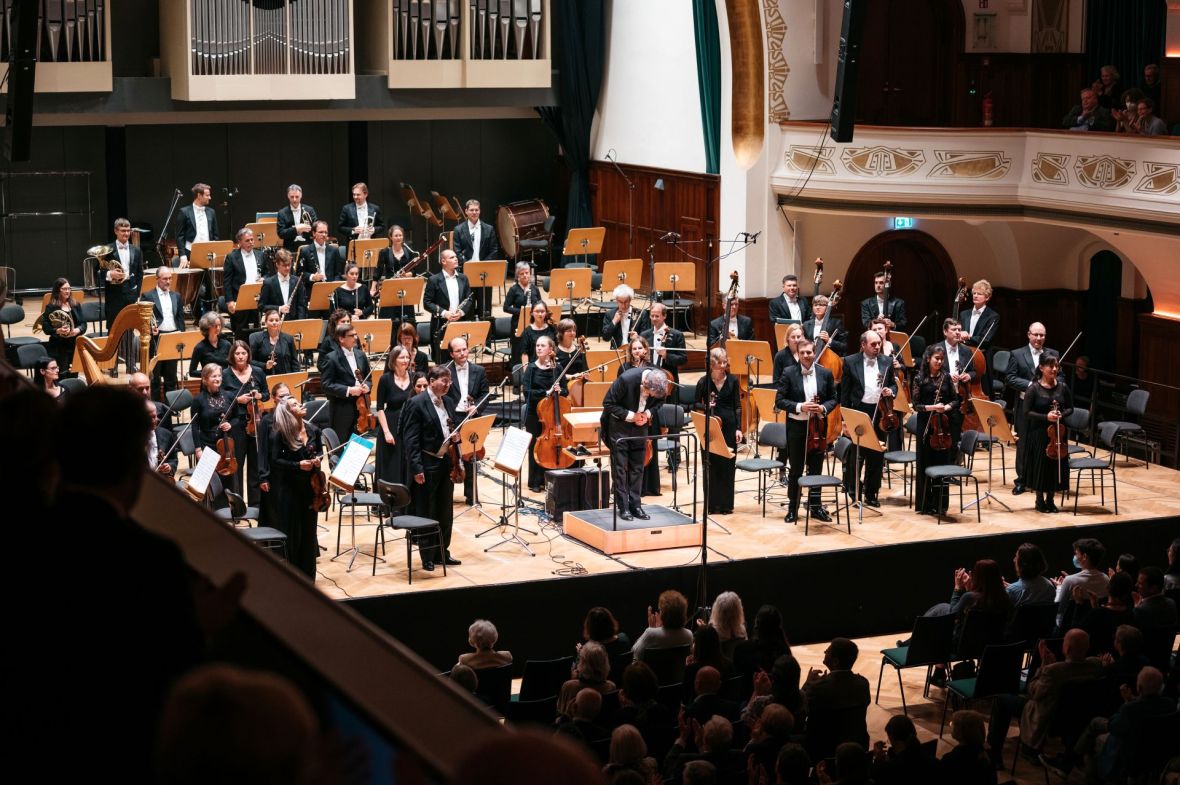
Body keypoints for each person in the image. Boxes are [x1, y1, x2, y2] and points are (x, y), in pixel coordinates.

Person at [45, 386, 203, 784]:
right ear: (136, 464)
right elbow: (176, 670)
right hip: (127, 751)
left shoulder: (21, 530)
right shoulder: (152, 557)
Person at [985, 629, 1102, 765]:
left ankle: (994, 755)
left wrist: (1043, 666)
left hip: (1045, 716)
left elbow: (1034, 692)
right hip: (1074, 717)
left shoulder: (1053, 671)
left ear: (1067, 648)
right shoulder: (1095, 665)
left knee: (1001, 700)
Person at [402, 365, 463, 571]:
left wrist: (456, 436)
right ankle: (427, 556)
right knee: (427, 511)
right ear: (432, 381)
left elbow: (450, 427)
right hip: (427, 465)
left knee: (445, 510)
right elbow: (410, 440)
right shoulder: (416, 403)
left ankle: (442, 552)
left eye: (449, 381)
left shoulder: (449, 402)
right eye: (444, 380)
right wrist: (416, 468)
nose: (448, 385)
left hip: (445, 463)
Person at [776, 339, 837, 523]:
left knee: (816, 469)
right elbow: (779, 401)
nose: (806, 356)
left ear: (814, 352)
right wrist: (800, 406)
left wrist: (823, 409)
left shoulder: (825, 373)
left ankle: (815, 507)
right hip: (797, 427)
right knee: (796, 469)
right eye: (802, 353)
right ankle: (793, 508)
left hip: (818, 427)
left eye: (809, 352)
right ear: (798, 354)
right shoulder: (788, 373)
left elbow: (834, 399)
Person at [603, 365, 669, 520]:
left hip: (641, 426)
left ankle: (636, 505)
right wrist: (632, 416)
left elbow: (660, 401)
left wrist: (647, 413)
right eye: (648, 393)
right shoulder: (626, 379)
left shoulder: (660, 384)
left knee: (637, 468)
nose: (649, 396)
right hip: (619, 426)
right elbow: (608, 404)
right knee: (620, 469)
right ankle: (623, 507)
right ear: (644, 383)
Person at [268, 395, 323, 579]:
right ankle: (294, 579)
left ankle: (310, 579)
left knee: (309, 534)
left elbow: (321, 452)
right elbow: (274, 461)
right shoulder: (280, 433)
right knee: (293, 535)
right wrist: (297, 465)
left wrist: (317, 460)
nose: (300, 405)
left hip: (311, 490)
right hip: (290, 490)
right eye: (295, 404)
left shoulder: (313, 429)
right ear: (288, 411)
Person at [840, 330, 897, 506]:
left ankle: (871, 493)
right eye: (873, 344)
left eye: (879, 343)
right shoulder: (850, 361)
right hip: (859, 411)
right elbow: (845, 392)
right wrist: (844, 420)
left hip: (880, 411)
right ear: (863, 345)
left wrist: (891, 391)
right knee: (855, 455)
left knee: (877, 455)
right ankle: (853, 490)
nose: (877, 347)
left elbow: (893, 384)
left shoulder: (886, 361)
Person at [1005, 322, 1053, 495]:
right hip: (1025, 407)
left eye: (1042, 335)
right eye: (1036, 335)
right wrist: (1032, 385)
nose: (1039, 338)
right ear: (1028, 335)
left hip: (1045, 408)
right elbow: (1010, 378)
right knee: (1024, 444)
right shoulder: (1016, 354)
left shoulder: (1052, 355)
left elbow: (1060, 377)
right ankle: (1022, 480)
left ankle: (1041, 480)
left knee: (1043, 443)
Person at [802, 638, 870, 760]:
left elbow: (801, 708)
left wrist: (808, 684)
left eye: (827, 651)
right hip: (857, 747)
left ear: (835, 661)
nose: (824, 652)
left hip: (823, 751)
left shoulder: (816, 689)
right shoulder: (863, 684)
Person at [1021, 353, 1072, 513]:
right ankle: (1039, 500)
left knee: (1054, 466)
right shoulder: (1033, 389)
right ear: (1042, 368)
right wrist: (1046, 417)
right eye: (1051, 366)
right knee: (1041, 466)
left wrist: (1061, 415)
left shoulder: (1063, 387)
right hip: (1039, 433)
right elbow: (1026, 412)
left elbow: (1071, 408)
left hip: (1059, 433)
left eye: (1057, 366)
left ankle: (1051, 499)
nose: (1055, 369)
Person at [912, 345, 960, 515]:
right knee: (925, 462)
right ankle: (924, 504)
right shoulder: (919, 378)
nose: (939, 361)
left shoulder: (946, 378)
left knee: (942, 462)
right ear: (928, 359)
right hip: (926, 426)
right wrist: (933, 407)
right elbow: (916, 405)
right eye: (936, 358)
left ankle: (940, 504)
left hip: (943, 426)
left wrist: (946, 407)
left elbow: (956, 400)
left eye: (941, 359)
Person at [695, 348, 742, 515]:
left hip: (729, 427)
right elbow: (694, 405)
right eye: (720, 363)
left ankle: (726, 505)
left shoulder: (733, 381)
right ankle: (712, 505)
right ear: (712, 364)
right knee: (711, 466)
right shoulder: (703, 382)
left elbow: (737, 406)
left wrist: (739, 429)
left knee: (727, 466)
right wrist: (706, 406)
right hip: (710, 428)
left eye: (725, 362)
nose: (723, 366)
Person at [222, 339, 269, 503]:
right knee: (238, 464)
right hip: (236, 423)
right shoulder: (225, 374)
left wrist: (259, 396)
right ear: (232, 356)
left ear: (248, 354)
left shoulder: (258, 371)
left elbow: (267, 394)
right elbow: (221, 400)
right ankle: (238, 504)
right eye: (237, 353)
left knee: (256, 465)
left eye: (243, 353)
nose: (241, 356)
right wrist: (236, 400)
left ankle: (255, 503)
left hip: (255, 422)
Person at [444, 336, 489, 505]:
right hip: (452, 418)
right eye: (458, 351)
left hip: (471, 417)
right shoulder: (445, 370)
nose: (462, 353)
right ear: (451, 354)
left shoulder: (479, 370)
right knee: (451, 456)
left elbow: (485, 394)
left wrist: (476, 406)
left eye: (464, 349)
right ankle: (447, 496)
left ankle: (472, 496)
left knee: (471, 455)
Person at [522, 335, 566, 493]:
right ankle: (535, 480)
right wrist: (545, 393)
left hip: (553, 415)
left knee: (553, 445)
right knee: (536, 445)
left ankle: (553, 474)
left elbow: (566, 391)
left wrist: (560, 391)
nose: (539, 348)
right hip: (535, 413)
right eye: (537, 346)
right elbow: (526, 392)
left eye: (542, 345)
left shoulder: (557, 368)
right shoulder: (531, 368)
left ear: (551, 349)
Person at [103, 218, 144, 372]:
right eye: (123, 231)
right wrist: (109, 274)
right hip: (114, 296)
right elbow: (97, 272)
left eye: (128, 231)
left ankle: (130, 364)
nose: (126, 233)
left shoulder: (136, 250)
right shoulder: (107, 249)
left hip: (130, 296)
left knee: (130, 330)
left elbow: (140, 274)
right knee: (113, 330)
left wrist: (136, 293)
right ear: (116, 231)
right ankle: (112, 364)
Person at [320, 322, 372, 441]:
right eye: (351, 335)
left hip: (361, 406)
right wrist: (349, 390)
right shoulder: (331, 358)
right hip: (341, 409)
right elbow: (325, 384)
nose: (355, 338)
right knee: (340, 443)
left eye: (356, 334)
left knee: (357, 445)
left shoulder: (361, 355)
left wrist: (367, 387)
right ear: (341, 338)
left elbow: (368, 378)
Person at [423, 249, 474, 363]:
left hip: (460, 323)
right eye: (451, 257)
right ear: (443, 261)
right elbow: (427, 302)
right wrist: (444, 313)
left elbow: (469, 298)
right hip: (441, 324)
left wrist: (461, 312)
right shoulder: (434, 280)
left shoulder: (463, 278)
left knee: (460, 358)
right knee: (442, 361)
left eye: (455, 256)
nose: (456, 259)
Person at [142, 264, 186, 396]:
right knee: (155, 380)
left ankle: (170, 411)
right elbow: (143, 320)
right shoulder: (148, 295)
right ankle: (156, 411)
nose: (168, 281)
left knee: (171, 379)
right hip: (157, 339)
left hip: (173, 338)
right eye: (165, 279)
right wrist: (150, 329)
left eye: (170, 278)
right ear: (157, 279)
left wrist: (181, 335)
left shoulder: (176, 296)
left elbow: (180, 318)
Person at [375, 344, 414, 487]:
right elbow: (379, 408)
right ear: (393, 360)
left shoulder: (414, 377)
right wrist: (386, 432)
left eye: (407, 357)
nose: (405, 360)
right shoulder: (385, 379)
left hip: (409, 424)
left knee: (407, 461)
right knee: (391, 464)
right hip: (390, 424)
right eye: (401, 357)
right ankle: (389, 502)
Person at [1052, 537, 1109, 625]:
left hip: (1072, 626)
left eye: (1076, 554)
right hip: (1096, 625)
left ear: (1084, 557)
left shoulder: (1070, 580)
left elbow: (1059, 608)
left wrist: (1059, 588)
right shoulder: (1106, 579)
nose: (1075, 557)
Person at [190, 363, 235, 468]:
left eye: (219, 376)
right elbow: (194, 426)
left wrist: (230, 424)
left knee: (227, 479)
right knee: (210, 480)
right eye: (214, 376)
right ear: (205, 379)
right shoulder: (198, 400)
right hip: (207, 445)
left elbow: (237, 417)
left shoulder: (229, 395)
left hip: (226, 445)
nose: (218, 379)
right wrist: (198, 450)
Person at [223, 227, 266, 335]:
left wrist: (264, 278)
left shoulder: (260, 255)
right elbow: (227, 281)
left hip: (257, 297)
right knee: (241, 329)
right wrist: (229, 302)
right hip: (239, 297)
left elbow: (268, 273)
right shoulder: (231, 257)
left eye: (252, 239)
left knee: (257, 328)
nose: (251, 242)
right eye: (247, 240)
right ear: (240, 242)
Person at [869, 715, 935, 785]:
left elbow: (875, 777)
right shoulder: (929, 756)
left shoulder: (889, 769)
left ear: (892, 738)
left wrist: (878, 760)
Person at [39, 277, 85, 376]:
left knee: (74, 372)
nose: (67, 291)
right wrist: (58, 330)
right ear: (58, 290)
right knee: (62, 374)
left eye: (69, 288)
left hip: (74, 343)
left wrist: (77, 330)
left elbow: (83, 324)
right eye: (64, 289)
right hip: (59, 345)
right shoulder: (51, 307)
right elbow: (46, 328)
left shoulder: (75, 304)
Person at [373, 224, 417, 325]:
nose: (398, 238)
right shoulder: (384, 252)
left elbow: (414, 271)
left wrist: (408, 275)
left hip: (405, 287)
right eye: (396, 236)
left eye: (400, 235)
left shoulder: (408, 252)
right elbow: (378, 271)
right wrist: (373, 288)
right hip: (390, 287)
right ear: (391, 237)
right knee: (389, 317)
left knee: (407, 318)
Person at [631, 590, 694, 662]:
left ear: (664, 613)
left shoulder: (650, 633)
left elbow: (633, 653)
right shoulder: (689, 635)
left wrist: (651, 628)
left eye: (660, 610)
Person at [937, 711, 996, 785]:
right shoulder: (988, 756)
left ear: (960, 733)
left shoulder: (951, 759)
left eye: (952, 724)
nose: (950, 724)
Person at [558, 641, 616, 717]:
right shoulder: (611, 686)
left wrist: (572, 680)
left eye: (580, 660)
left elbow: (561, 712)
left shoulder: (569, 686)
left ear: (582, 664)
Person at [504, 261, 545, 363]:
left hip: (533, 324)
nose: (525, 275)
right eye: (522, 273)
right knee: (518, 353)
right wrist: (522, 311)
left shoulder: (534, 289)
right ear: (518, 275)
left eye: (527, 273)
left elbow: (540, 303)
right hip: (518, 324)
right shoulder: (514, 290)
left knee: (533, 350)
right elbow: (506, 307)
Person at [257, 248, 309, 322]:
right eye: (284, 265)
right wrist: (279, 308)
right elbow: (261, 306)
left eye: (289, 265)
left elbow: (301, 305)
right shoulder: (268, 283)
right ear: (277, 265)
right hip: (276, 323)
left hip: (294, 322)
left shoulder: (297, 281)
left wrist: (300, 322)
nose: (287, 268)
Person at [175, 182, 219, 267]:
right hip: (190, 252)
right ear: (199, 195)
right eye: (207, 195)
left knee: (209, 277)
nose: (210, 197)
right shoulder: (184, 212)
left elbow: (215, 235)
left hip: (208, 253)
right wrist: (182, 255)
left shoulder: (211, 212)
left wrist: (214, 252)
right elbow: (179, 236)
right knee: (193, 278)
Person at [642, 302, 687, 383]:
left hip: (669, 378)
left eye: (657, 316)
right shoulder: (644, 335)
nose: (654, 319)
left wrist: (666, 355)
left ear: (664, 316)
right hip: (649, 378)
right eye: (652, 316)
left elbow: (683, 359)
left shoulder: (676, 335)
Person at [248, 308, 299, 375]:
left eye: (277, 320)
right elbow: (251, 361)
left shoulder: (288, 338)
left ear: (280, 322)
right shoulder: (257, 338)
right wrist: (265, 365)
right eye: (271, 320)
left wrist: (296, 379)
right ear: (266, 322)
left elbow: (294, 362)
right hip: (264, 377)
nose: (274, 322)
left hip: (285, 378)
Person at [603, 284, 651, 349]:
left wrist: (638, 338)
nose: (623, 305)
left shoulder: (641, 314)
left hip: (635, 351)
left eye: (626, 302)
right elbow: (606, 338)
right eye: (620, 302)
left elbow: (647, 338)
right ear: (616, 300)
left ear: (630, 299)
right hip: (617, 351)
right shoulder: (610, 314)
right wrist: (614, 322)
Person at [296, 220, 341, 288]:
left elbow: (338, 273)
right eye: (321, 232)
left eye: (326, 232)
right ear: (314, 233)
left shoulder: (334, 251)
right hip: (313, 288)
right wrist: (312, 277)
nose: (324, 235)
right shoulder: (305, 251)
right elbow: (299, 273)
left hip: (331, 289)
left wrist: (334, 286)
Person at [959, 279, 999, 351]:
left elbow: (986, 339)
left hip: (982, 353)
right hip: (964, 351)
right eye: (974, 293)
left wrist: (968, 337)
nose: (975, 296)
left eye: (979, 294)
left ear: (987, 297)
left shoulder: (993, 316)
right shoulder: (964, 314)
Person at [188, 311, 231, 378]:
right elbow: (192, 372)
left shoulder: (227, 344)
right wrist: (210, 375)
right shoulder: (200, 347)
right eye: (215, 326)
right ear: (207, 327)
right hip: (208, 384)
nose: (218, 328)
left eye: (219, 325)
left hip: (225, 383)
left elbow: (233, 366)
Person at [275, 183, 316, 252]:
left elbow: (315, 228)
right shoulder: (282, 213)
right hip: (290, 249)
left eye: (297, 197)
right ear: (288, 196)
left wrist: (308, 228)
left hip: (307, 247)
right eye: (292, 197)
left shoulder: (309, 210)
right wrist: (296, 229)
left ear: (301, 195)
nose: (294, 200)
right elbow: (281, 233)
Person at [803, 294, 846, 359]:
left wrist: (829, 340)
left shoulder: (836, 323)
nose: (817, 307)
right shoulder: (806, 324)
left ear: (828, 307)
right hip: (811, 359)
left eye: (821, 305)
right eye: (815, 305)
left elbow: (844, 346)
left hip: (830, 359)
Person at [146, 397, 178, 477]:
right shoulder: (131, 439)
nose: (153, 421)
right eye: (149, 418)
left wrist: (169, 466)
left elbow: (173, 459)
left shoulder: (166, 434)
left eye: (154, 416)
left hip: (162, 482)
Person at [519, 301, 556, 369]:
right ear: (532, 313)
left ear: (546, 313)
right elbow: (524, 354)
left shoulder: (552, 329)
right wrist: (526, 373)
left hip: (550, 367)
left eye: (542, 311)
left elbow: (556, 348)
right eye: (537, 311)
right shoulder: (527, 332)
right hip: (534, 368)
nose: (540, 314)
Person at [315, 309, 352, 375]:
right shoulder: (328, 341)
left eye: (348, 321)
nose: (346, 324)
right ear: (336, 323)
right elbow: (320, 364)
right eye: (343, 321)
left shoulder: (355, 339)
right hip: (335, 377)